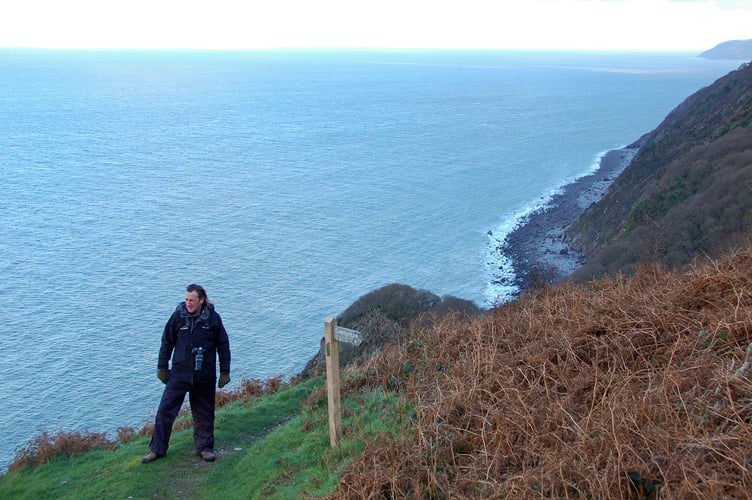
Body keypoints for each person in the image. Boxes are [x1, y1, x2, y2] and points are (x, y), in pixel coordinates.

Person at [142, 284, 231, 464]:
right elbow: (166, 342)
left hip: (204, 374)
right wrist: (162, 367)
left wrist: (225, 371)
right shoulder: (178, 317)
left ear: (201, 300)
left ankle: (205, 448)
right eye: (186, 300)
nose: (188, 303)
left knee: (204, 412)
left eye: (192, 300)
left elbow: (223, 345)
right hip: (180, 373)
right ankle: (157, 450)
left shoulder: (213, 319)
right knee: (165, 411)